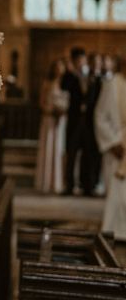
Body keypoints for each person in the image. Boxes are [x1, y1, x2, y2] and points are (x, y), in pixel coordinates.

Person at [94, 56, 126, 240]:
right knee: (117, 192)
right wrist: (113, 142)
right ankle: (115, 231)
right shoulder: (112, 84)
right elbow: (99, 116)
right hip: (117, 146)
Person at [35, 58, 69, 194]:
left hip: (61, 122)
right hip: (49, 119)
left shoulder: (66, 84)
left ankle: (57, 183)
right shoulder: (47, 83)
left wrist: (62, 112)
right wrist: (51, 111)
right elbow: (41, 103)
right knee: (49, 149)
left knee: (59, 150)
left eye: (61, 67)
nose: (58, 70)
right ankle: (46, 182)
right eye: (56, 67)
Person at [61, 47, 89, 195]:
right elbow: (63, 86)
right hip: (74, 119)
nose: (81, 62)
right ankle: (69, 185)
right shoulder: (70, 76)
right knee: (71, 153)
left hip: (88, 122)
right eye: (78, 60)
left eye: (82, 59)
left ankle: (86, 185)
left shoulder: (89, 74)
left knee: (86, 154)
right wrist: (70, 72)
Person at [82, 53, 103, 196]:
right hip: (86, 122)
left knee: (96, 154)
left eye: (98, 62)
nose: (96, 64)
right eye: (93, 61)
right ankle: (86, 184)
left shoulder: (103, 80)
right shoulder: (85, 77)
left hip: (99, 121)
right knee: (86, 153)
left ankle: (94, 183)